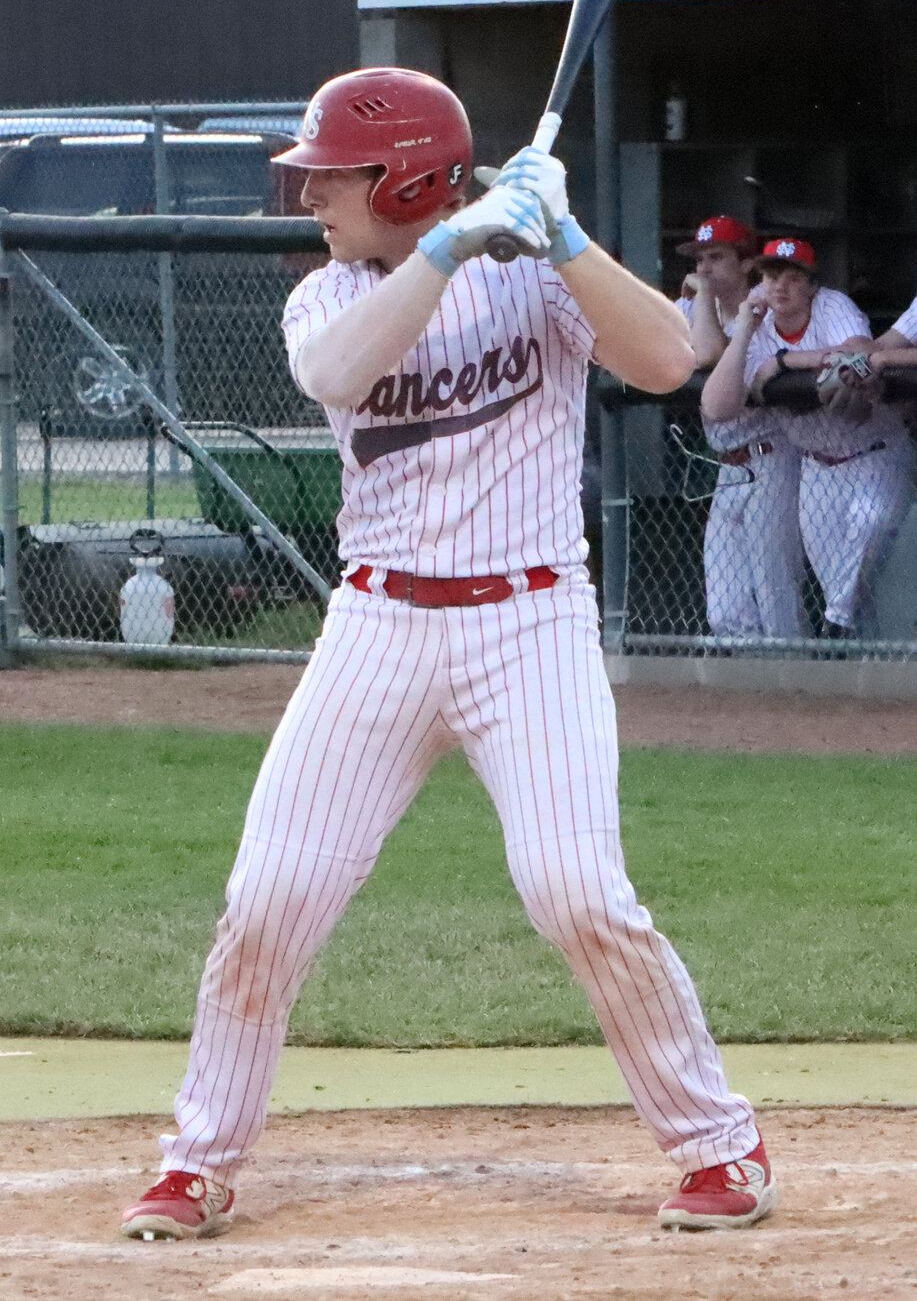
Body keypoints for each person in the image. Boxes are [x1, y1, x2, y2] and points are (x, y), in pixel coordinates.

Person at [121, 67, 775, 1242]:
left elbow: (669, 359)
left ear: (409, 174)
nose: (311, 192)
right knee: (269, 897)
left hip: (529, 622)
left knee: (576, 890)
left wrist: (563, 238)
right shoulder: (325, 300)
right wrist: (448, 249)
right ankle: (197, 1159)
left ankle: (718, 1144)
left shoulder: (540, 281)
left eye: (334, 175)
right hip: (375, 624)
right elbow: (335, 377)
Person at [702, 238, 913, 637]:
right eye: (770, 276)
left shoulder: (832, 305)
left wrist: (782, 363)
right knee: (843, 585)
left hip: (874, 452)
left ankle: (835, 629)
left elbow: (856, 354)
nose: (779, 287)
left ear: (812, 286)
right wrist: (745, 328)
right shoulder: (756, 322)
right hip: (816, 467)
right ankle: (854, 671)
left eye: (793, 277)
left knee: (869, 524)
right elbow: (716, 406)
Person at [677, 217, 807, 640]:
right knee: (725, 609)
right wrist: (702, 300)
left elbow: (708, 354)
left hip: (774, 458)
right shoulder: (692, 306)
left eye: (716, 257)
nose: (705, 267)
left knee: (776, 595)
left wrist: (704, 296)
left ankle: (799, 685)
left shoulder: (763, 307)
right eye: (699, 258)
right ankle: (754, 696)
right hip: (727, 467)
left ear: (748, 262)